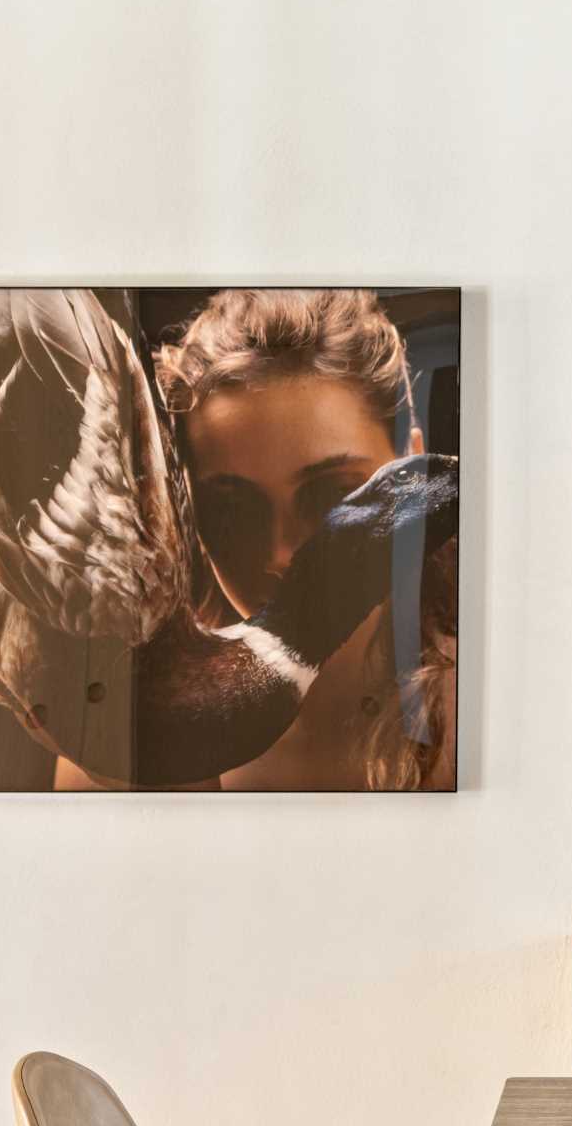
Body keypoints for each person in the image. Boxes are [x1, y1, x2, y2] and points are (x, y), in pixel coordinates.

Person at [149, 288, 456, 789]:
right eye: (231, 507)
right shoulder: (134, 753)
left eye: (332, 495)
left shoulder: (506, 715)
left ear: (411, 467)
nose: (280, 554)